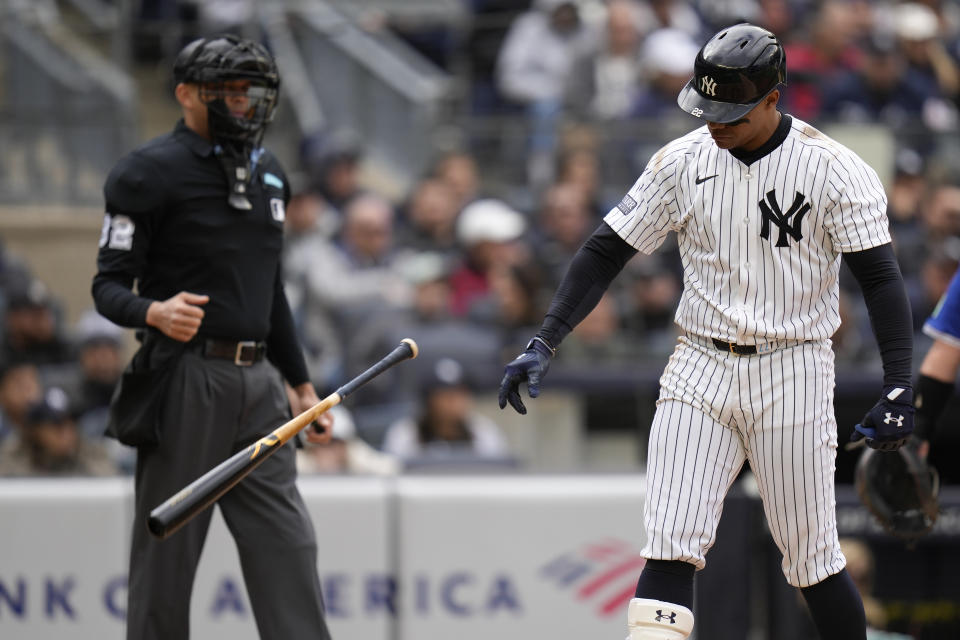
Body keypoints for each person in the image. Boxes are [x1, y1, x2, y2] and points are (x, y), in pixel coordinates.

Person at [498, 23, 914, 640]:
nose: (715, 121)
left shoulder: (835, 169)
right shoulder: (681, 160)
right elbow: (603, 251)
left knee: (812, 560)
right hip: (700, 363)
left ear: (774, 97)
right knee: (671, 543)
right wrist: (545, 338)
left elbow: (880, 280)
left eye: (732, 110)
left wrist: (900, 384)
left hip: (793, 366)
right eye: (707, 105)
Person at [91, 35, 334, 640]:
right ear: (185, 95)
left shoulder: (271, 173)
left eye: (250, 91)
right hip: (185, 380)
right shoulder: (145, 173)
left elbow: (268, 290)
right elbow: (107, 286)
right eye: (227, 90)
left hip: (262, 386)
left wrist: (300, 382)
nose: (243, 102)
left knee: (289, 545)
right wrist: (153, 312)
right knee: (167, 556)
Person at [0, 386, 118, 477]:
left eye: (71, 422)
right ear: (36, 430)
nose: (66, 432)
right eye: (57, 425)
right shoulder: (13, 456)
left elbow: (110, 484)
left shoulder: (92, 454)